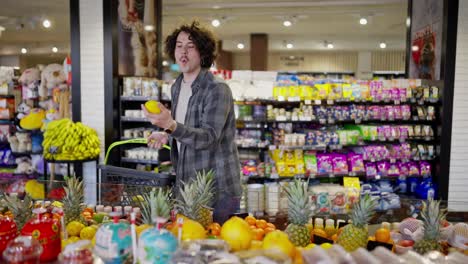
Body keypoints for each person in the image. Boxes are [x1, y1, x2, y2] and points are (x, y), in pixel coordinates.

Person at [141, 21, 241, 224]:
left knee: (217, 249)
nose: (183, 52)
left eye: (190, 46)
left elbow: (209, 137)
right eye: (179, 45)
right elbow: (186, 125)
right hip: (187, 186)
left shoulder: (217, 89)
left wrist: (171, 125)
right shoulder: (178, 85)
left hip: (217, 189)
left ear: (203, 53)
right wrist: (167, 134)